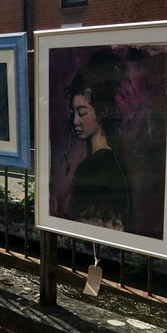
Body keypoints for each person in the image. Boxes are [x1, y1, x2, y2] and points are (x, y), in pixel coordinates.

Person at [65, 49, 132, 232]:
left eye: (82, 112)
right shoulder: (110, 163)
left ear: (101, 112)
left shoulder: (96, 167)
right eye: (73, 114)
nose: (75, 121)